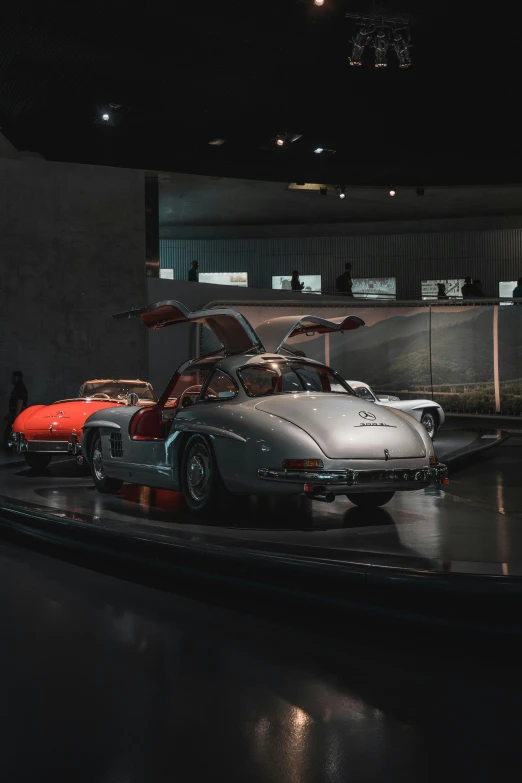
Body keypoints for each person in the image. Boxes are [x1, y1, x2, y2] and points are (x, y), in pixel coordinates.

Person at [3, 371, 28, 447]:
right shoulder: (18, 387)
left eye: (12, 377)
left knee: (10, 432)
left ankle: (12, 447)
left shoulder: (19, 388)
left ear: (16, 377)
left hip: (17, 414)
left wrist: (17, 414)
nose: (11, 379)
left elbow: (20, 401)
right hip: (16, 413)